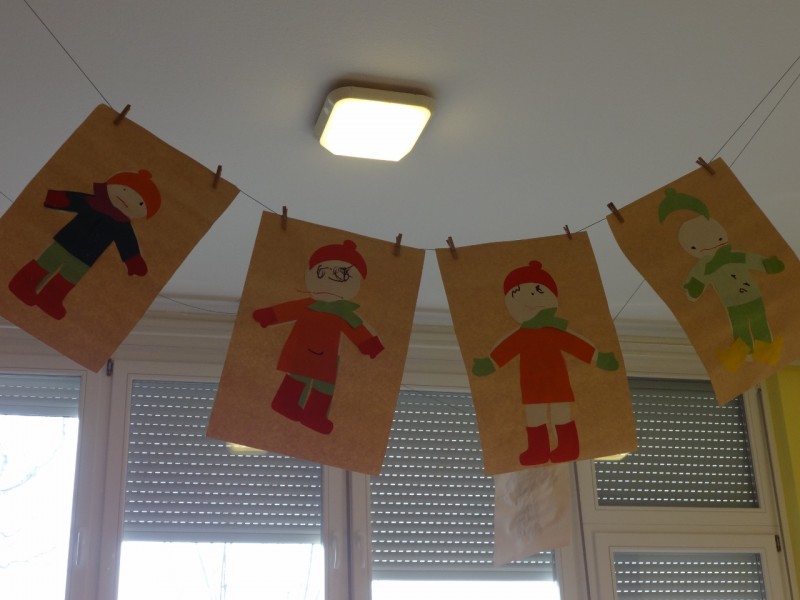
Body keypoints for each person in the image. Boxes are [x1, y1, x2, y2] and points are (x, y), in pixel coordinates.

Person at [472, 260, 618, 466]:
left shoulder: (554, 330)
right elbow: (505, 350)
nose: (528, 299)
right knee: (534, 416)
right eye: (516, 293)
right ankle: (538, 451)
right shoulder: (522, 334)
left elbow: (575, 345)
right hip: (532, 384)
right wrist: (489, 363)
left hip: (557, 381)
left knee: (561, 413)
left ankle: (568, 447)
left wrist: (599, 358)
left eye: (537, 291)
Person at [253, 239, 383, 434]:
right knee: (298, 376)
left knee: (325, 385)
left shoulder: (343, 313)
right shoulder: (308, 306)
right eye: (322, 273)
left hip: (327, 356)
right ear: (311, 274)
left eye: (341, 278)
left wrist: (369, 344)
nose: (330, 283)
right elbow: (287, 310)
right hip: (302, 350)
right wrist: (269, 315)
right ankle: (285, 404)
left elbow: (355, 329)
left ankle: (314, 416)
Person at [659, 188, 784, 371]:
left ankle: (765, 349)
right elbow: (698, 279)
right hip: (732, 301)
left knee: (759, 322)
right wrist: (694, 287)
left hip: (751, 295)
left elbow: (750, 259)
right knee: (740, 326)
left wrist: (766, 264)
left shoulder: (732, 255)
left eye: (717, 237)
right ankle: (746, 352)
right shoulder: (705, 265)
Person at [9, 169, 161, 320]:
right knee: (47, 262)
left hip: (86, 256)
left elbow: (127, 243)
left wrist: (133, 261)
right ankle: (22, 285)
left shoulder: (122, 225)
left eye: (140, 203)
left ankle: (49, 299)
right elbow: (73, 200)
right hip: (66, 241)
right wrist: (57, 198)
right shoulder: (93, 202)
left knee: (69, 276)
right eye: (125, 190)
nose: (127, 199)